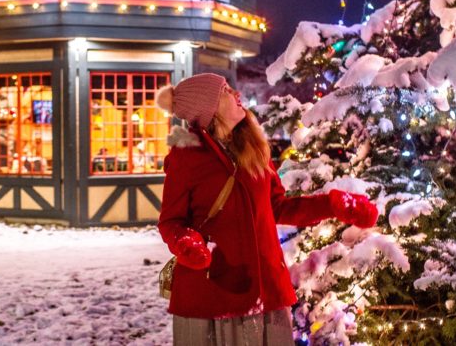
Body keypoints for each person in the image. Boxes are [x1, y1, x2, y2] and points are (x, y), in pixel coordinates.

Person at [155, 73, 378, 346]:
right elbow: (171, 221)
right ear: (208, 108)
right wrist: (188, 245)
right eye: (225, 90)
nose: (236, 93)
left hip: (266, 289)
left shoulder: (253, 149)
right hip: (213, 294)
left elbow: (278, 207)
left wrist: (331, 204)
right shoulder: (185, 155)